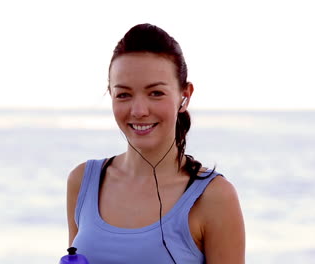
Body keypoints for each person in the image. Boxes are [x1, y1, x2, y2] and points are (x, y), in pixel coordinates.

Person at [66, 23, 245, 264]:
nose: (139, 110)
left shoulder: (214, 198)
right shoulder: (83, 182)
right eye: (124, 94)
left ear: (185, 96)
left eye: (156, 93)